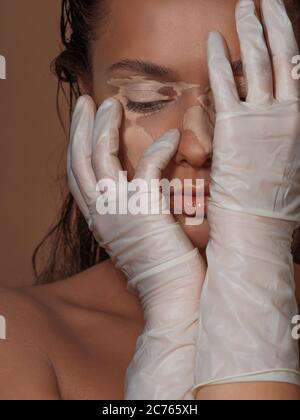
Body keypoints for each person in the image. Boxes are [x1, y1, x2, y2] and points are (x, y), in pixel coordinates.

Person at [0, 0, 299, 400]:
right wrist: (173, 310)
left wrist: (255, 259)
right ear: (85, 94)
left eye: (243, 93)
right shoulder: (18, 340)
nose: (197, 146)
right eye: (146, 99)